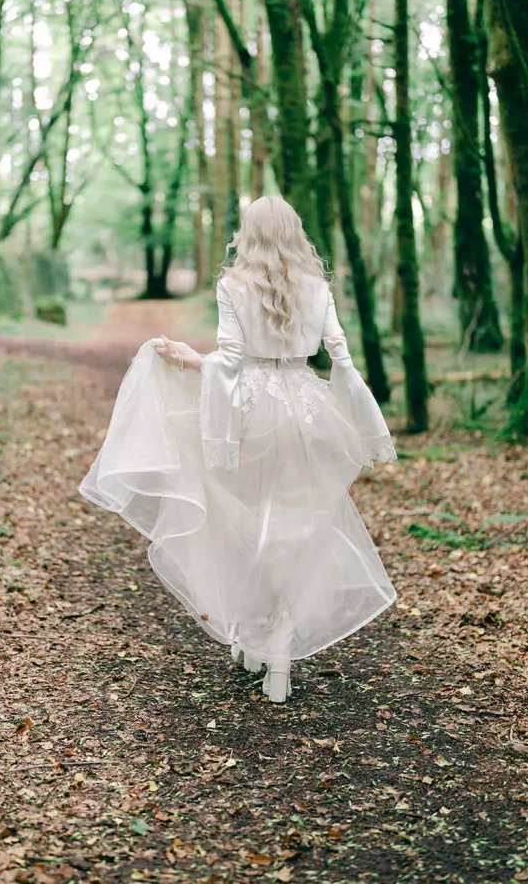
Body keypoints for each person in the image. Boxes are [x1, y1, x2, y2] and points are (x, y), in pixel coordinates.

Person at [79, 195, 396, 702]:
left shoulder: (233, 286)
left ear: (248, 234)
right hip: (310, 414)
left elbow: (229, 362)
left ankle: (254, 638)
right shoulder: (318, 289)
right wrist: (366, 422)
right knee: (296, 527)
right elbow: (340, 357)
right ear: (295, 233)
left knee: (245, 521)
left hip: (252, 414)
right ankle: (278, 655)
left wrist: (187, 361)